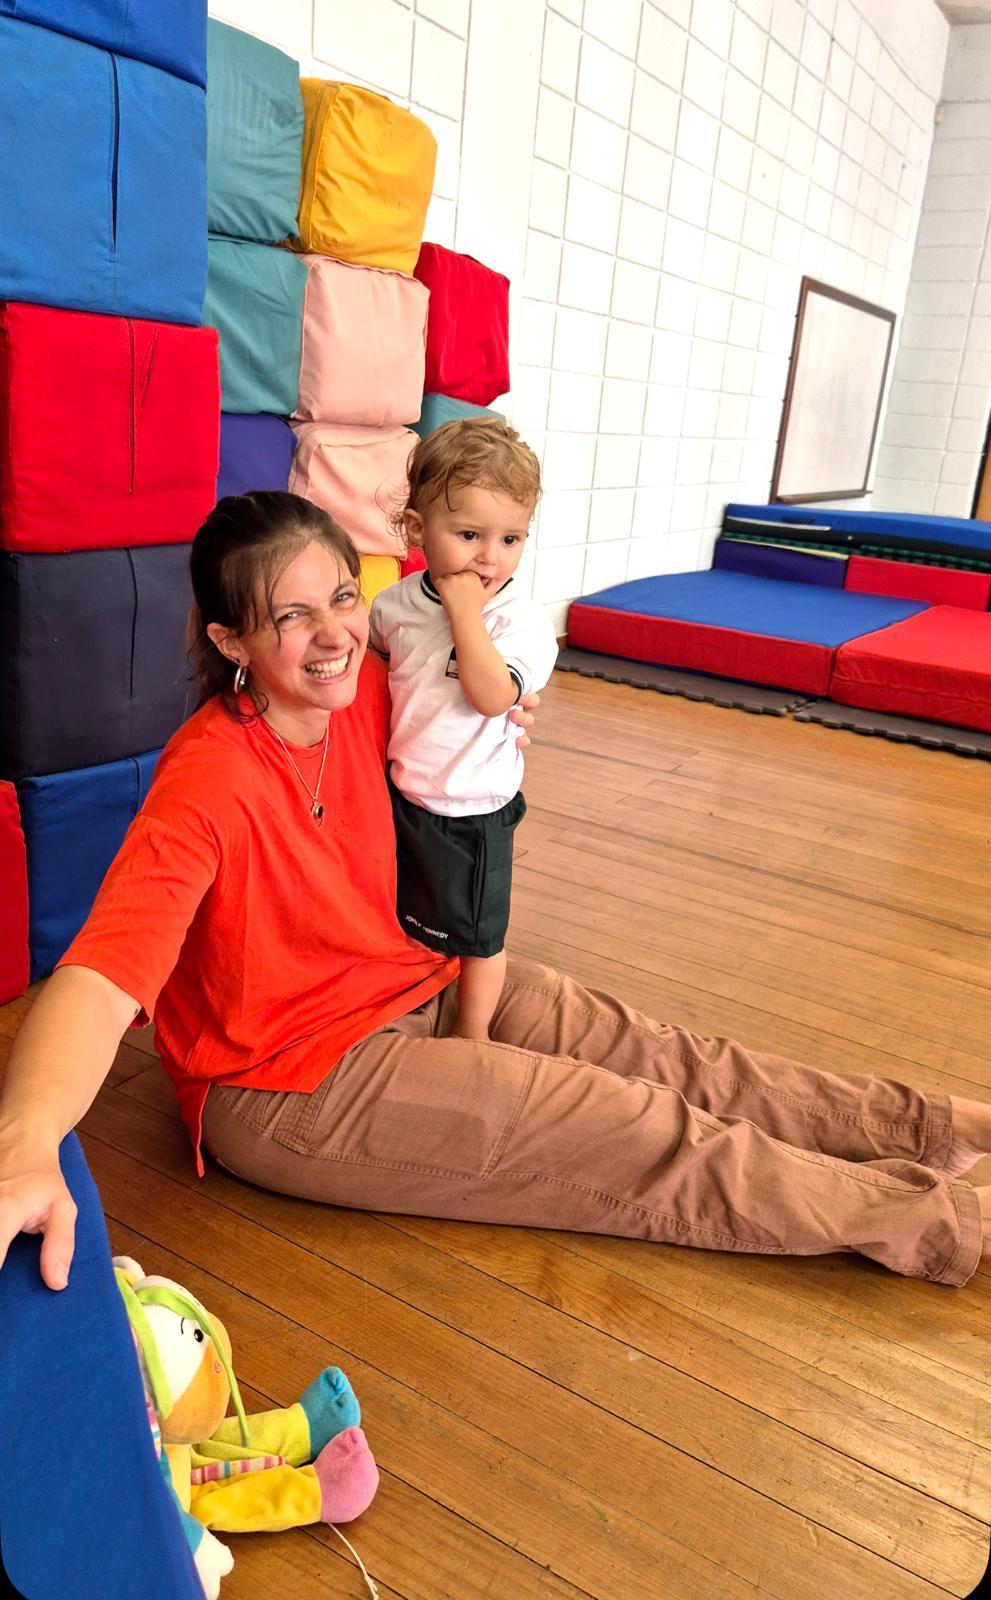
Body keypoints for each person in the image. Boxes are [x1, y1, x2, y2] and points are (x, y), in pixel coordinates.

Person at [1, 490, 990, 1297]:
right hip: (292, 1075)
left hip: (425, 974)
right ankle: (944, 1222)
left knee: (672, 1057)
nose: (333, 633)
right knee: (640, 1130)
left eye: (342, 597)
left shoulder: (380, 682)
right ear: (231, 640)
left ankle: (938, 1127)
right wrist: (25, 1142)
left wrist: (502, 710)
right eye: (291, 616)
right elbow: (100, 975)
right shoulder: (206, 781)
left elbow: (483, 683)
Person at [369, 419, 558, 1040]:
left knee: (478, 937)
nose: (489, 557)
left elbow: (492, 696)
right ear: (417, 530)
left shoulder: (518, 621)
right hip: (404, 794)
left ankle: (471, 1037)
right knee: (412, 911)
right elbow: (374, 676)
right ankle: (415, 995)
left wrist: (463, 612)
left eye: (511, 538)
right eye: (470, 534)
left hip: (474, 810)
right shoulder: (394, 605)